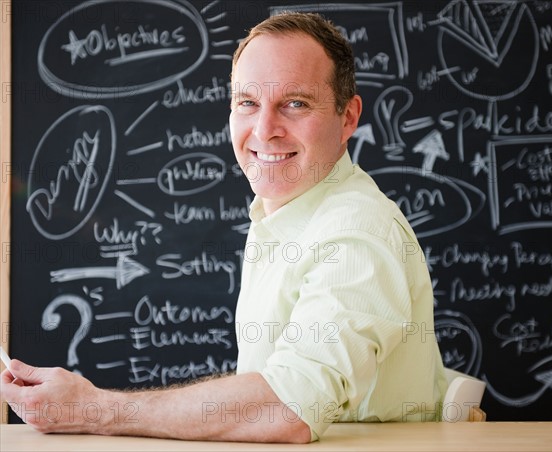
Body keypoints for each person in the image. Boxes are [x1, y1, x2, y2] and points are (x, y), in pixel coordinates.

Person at [1, 12, 447, 443]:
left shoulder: (356, 234)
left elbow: (288, 409)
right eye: (247, 103)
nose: (265, 129)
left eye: (295, 104)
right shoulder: (287, 211)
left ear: (347, 117)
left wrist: (92, 409)